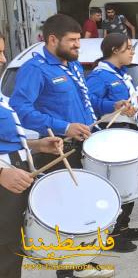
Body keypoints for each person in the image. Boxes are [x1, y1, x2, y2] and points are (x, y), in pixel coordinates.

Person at [10, 14, 115, 277]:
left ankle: (79, 260)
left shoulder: (73, 66)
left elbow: (84, 101)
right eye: (72, 41)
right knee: (64, 211)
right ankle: (66, 269)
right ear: (53, 39)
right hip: (55, 148)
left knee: (82, 205)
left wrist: (109, 110)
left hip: (83, 144)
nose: (78, 46)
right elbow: (20, 109)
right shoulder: (35, 69)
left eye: (79, 40)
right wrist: (64, 126)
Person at [86, 33, 138, 253]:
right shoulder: (100, 75)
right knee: (117, 186)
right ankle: (110, 235)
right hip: (110, 134)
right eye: (128, 48)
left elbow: (131, 108)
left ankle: (123, 226)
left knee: (130, 183)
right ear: (114, 51)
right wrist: (113, 105)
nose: (131, 51)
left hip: (127, 133)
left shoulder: (121, 74)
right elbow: (90, 102)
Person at [0, 34, 65, 278]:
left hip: (12, 185)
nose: (4, 59)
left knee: (11, 253)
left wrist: (36, 145)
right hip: (4, 182)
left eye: (3, 51)